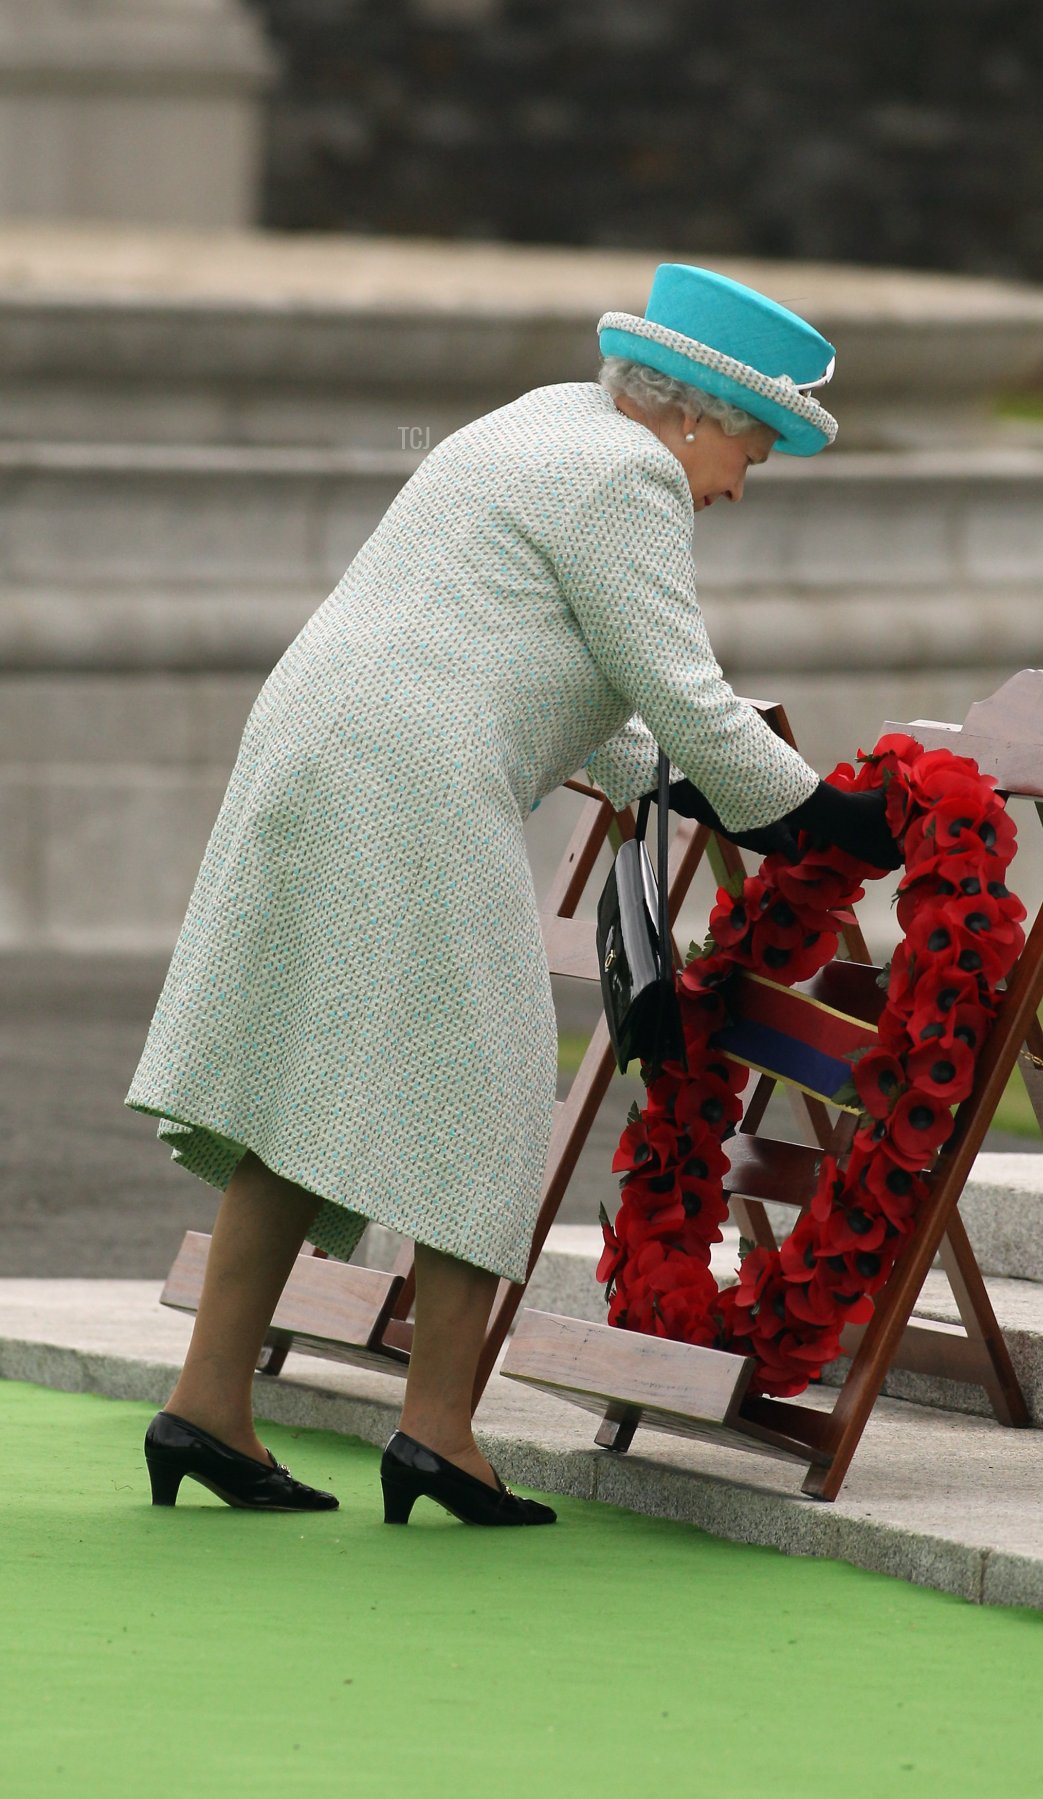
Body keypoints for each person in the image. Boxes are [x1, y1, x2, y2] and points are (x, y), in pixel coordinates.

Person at [127, 262, 900, 1529]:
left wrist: (709, 785)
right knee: (483, 1084)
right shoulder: (633, 475)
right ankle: (436, 1432)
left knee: (290, 1068)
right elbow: (683, 688)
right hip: (414, 774)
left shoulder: (539, 420)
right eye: (751, 449)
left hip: (318, 737)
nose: (738, 483)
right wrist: (839, 817)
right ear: (695, 413)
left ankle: (207, 1401)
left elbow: (546, 659)